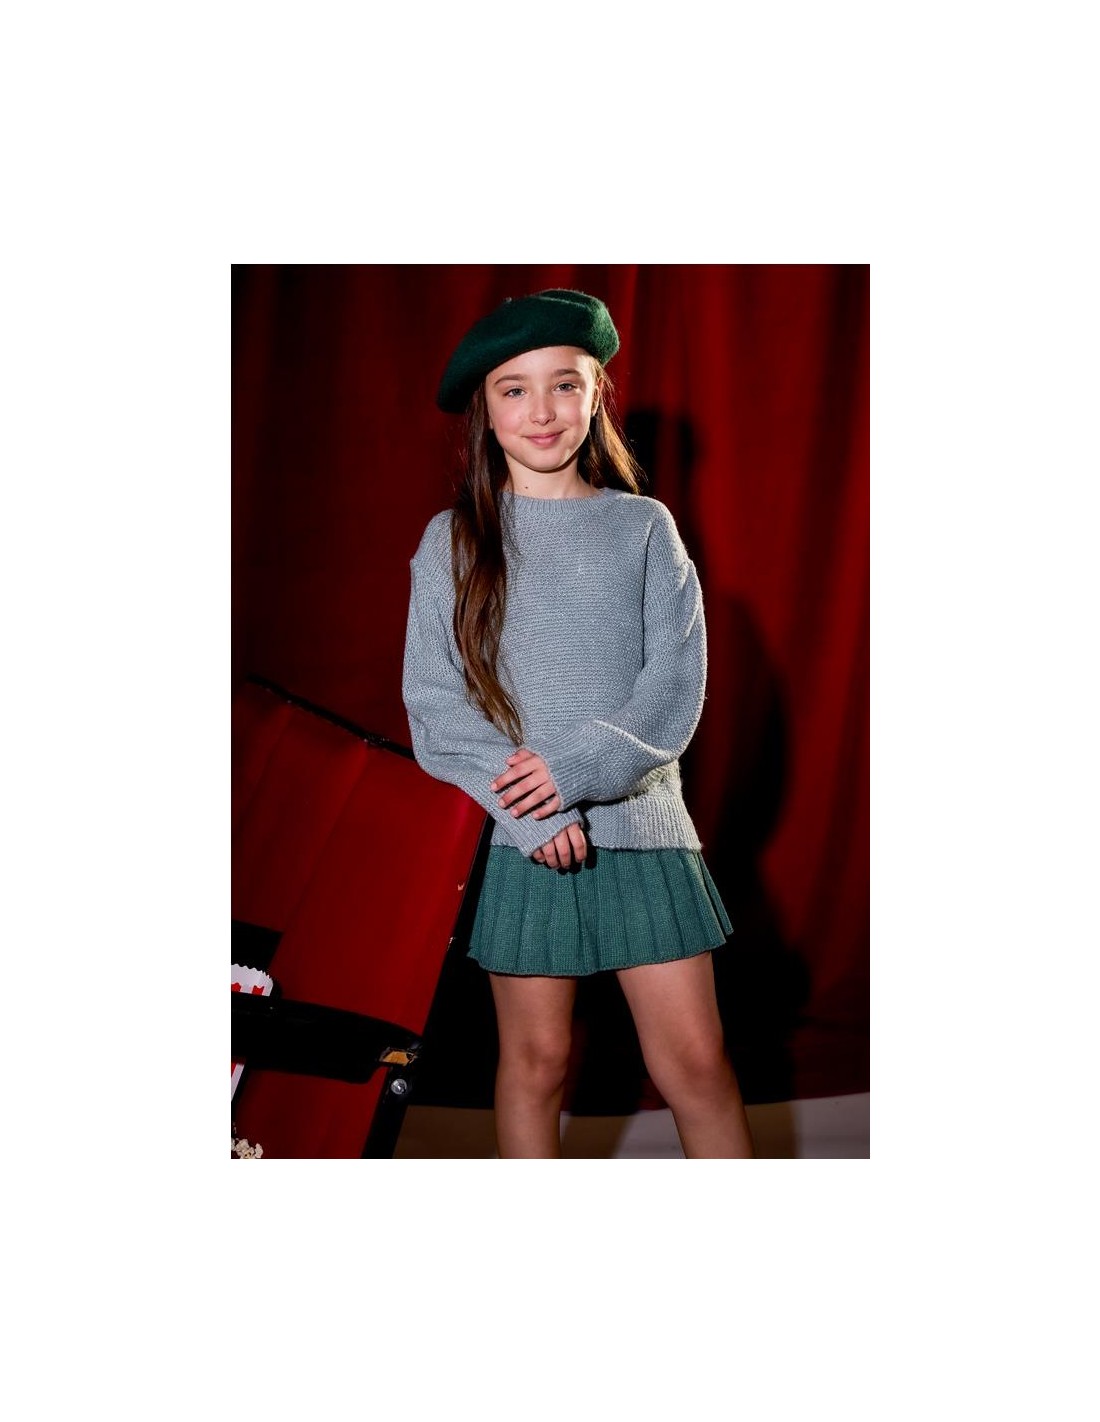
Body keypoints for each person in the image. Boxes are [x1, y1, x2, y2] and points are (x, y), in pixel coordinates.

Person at [402, 288, 754, 1159]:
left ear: (598, 393)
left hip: (645, 830)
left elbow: (675, 686)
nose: (542, 410)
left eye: (564, 384)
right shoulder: (452, 541)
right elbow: (437, 706)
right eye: (514, 389)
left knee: (696, 1063)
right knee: (537, 1062)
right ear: (485, 411)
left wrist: (573, 771)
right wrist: (533, 808)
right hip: (525, 840)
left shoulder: (643, 527)